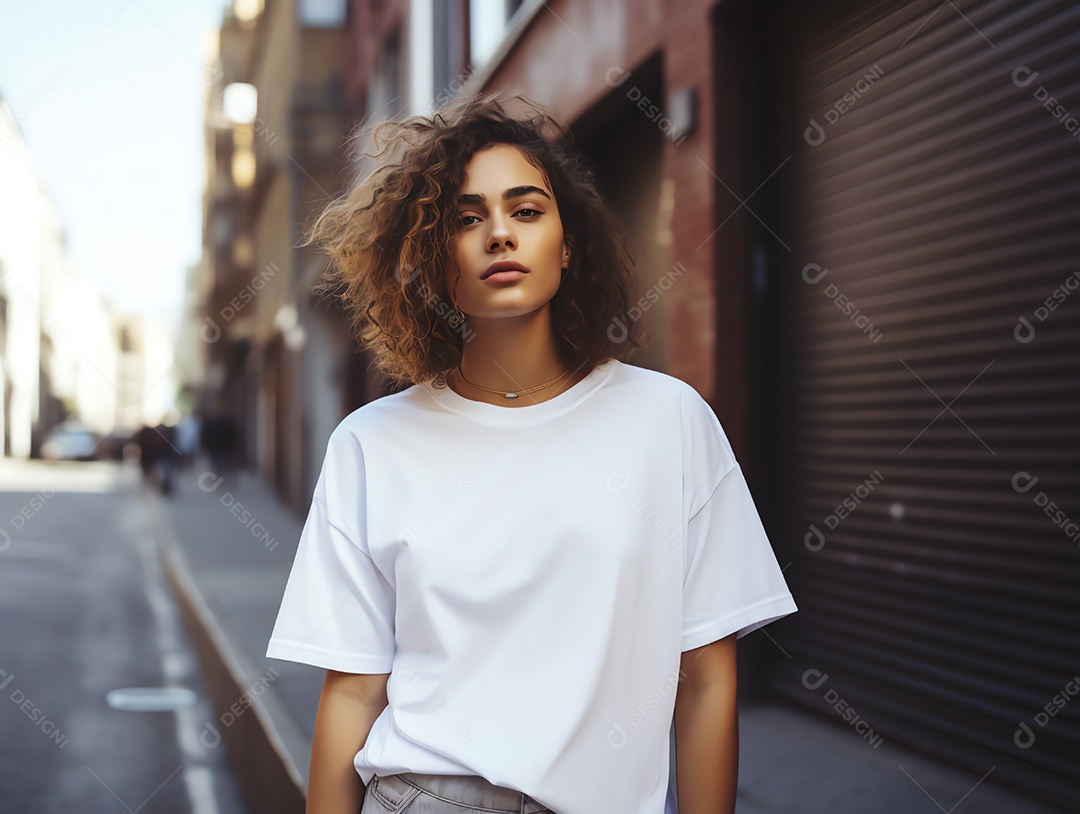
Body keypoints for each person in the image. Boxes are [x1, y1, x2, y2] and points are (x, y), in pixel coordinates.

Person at [265, 93, 797, 814]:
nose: (499, 235)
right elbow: (355, 690)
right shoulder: (370, 444)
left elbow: (705, 680)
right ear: (431, 254)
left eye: (525, 210)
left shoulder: (668, 422)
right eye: (464, 218)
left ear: (566, 241)